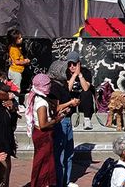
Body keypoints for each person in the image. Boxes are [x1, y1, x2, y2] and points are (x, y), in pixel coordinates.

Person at [47, 59, 81, 187]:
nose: (66, 71)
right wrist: (70, 103)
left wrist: (75, 75)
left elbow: (69, 86)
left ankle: (66, 181)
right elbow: (55, 108)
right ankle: (59, 182)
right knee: (60, 154)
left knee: (69, 153)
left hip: (67, 120)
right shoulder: (53, 87)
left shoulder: (62, 84)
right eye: (64, 69)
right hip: (60, 122)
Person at [26, 73, 61, 187]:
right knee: (43, 163)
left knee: (44, 160)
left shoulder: (37, 96)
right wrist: (56, 120)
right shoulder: (41, 103)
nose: (49, 86)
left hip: (40, 134)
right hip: (43, 134)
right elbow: (43, 124)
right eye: (47, 84)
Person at [65, 51, 95, 131]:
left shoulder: (86, 72)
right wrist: (74, 75)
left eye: (74, 64)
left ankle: (87, 119)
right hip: (71, 101)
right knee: (64, 93)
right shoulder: (65, 73)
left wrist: (80, 75)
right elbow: (68, 89)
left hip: (83, 102)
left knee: (87, 93)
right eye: (69, 64)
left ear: (78, 64)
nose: (71, 67)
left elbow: (85, 88)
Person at [6, 28, 29, 94]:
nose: (21, 39)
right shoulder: (15, 50)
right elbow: (17, 61)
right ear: (14, 40)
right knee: (16, 89)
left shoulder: (13, 48)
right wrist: (25, 61)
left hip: (14, 71)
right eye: (19, 38)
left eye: (21, 37)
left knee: (13, 87)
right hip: (16, 72)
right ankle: (16, 102)